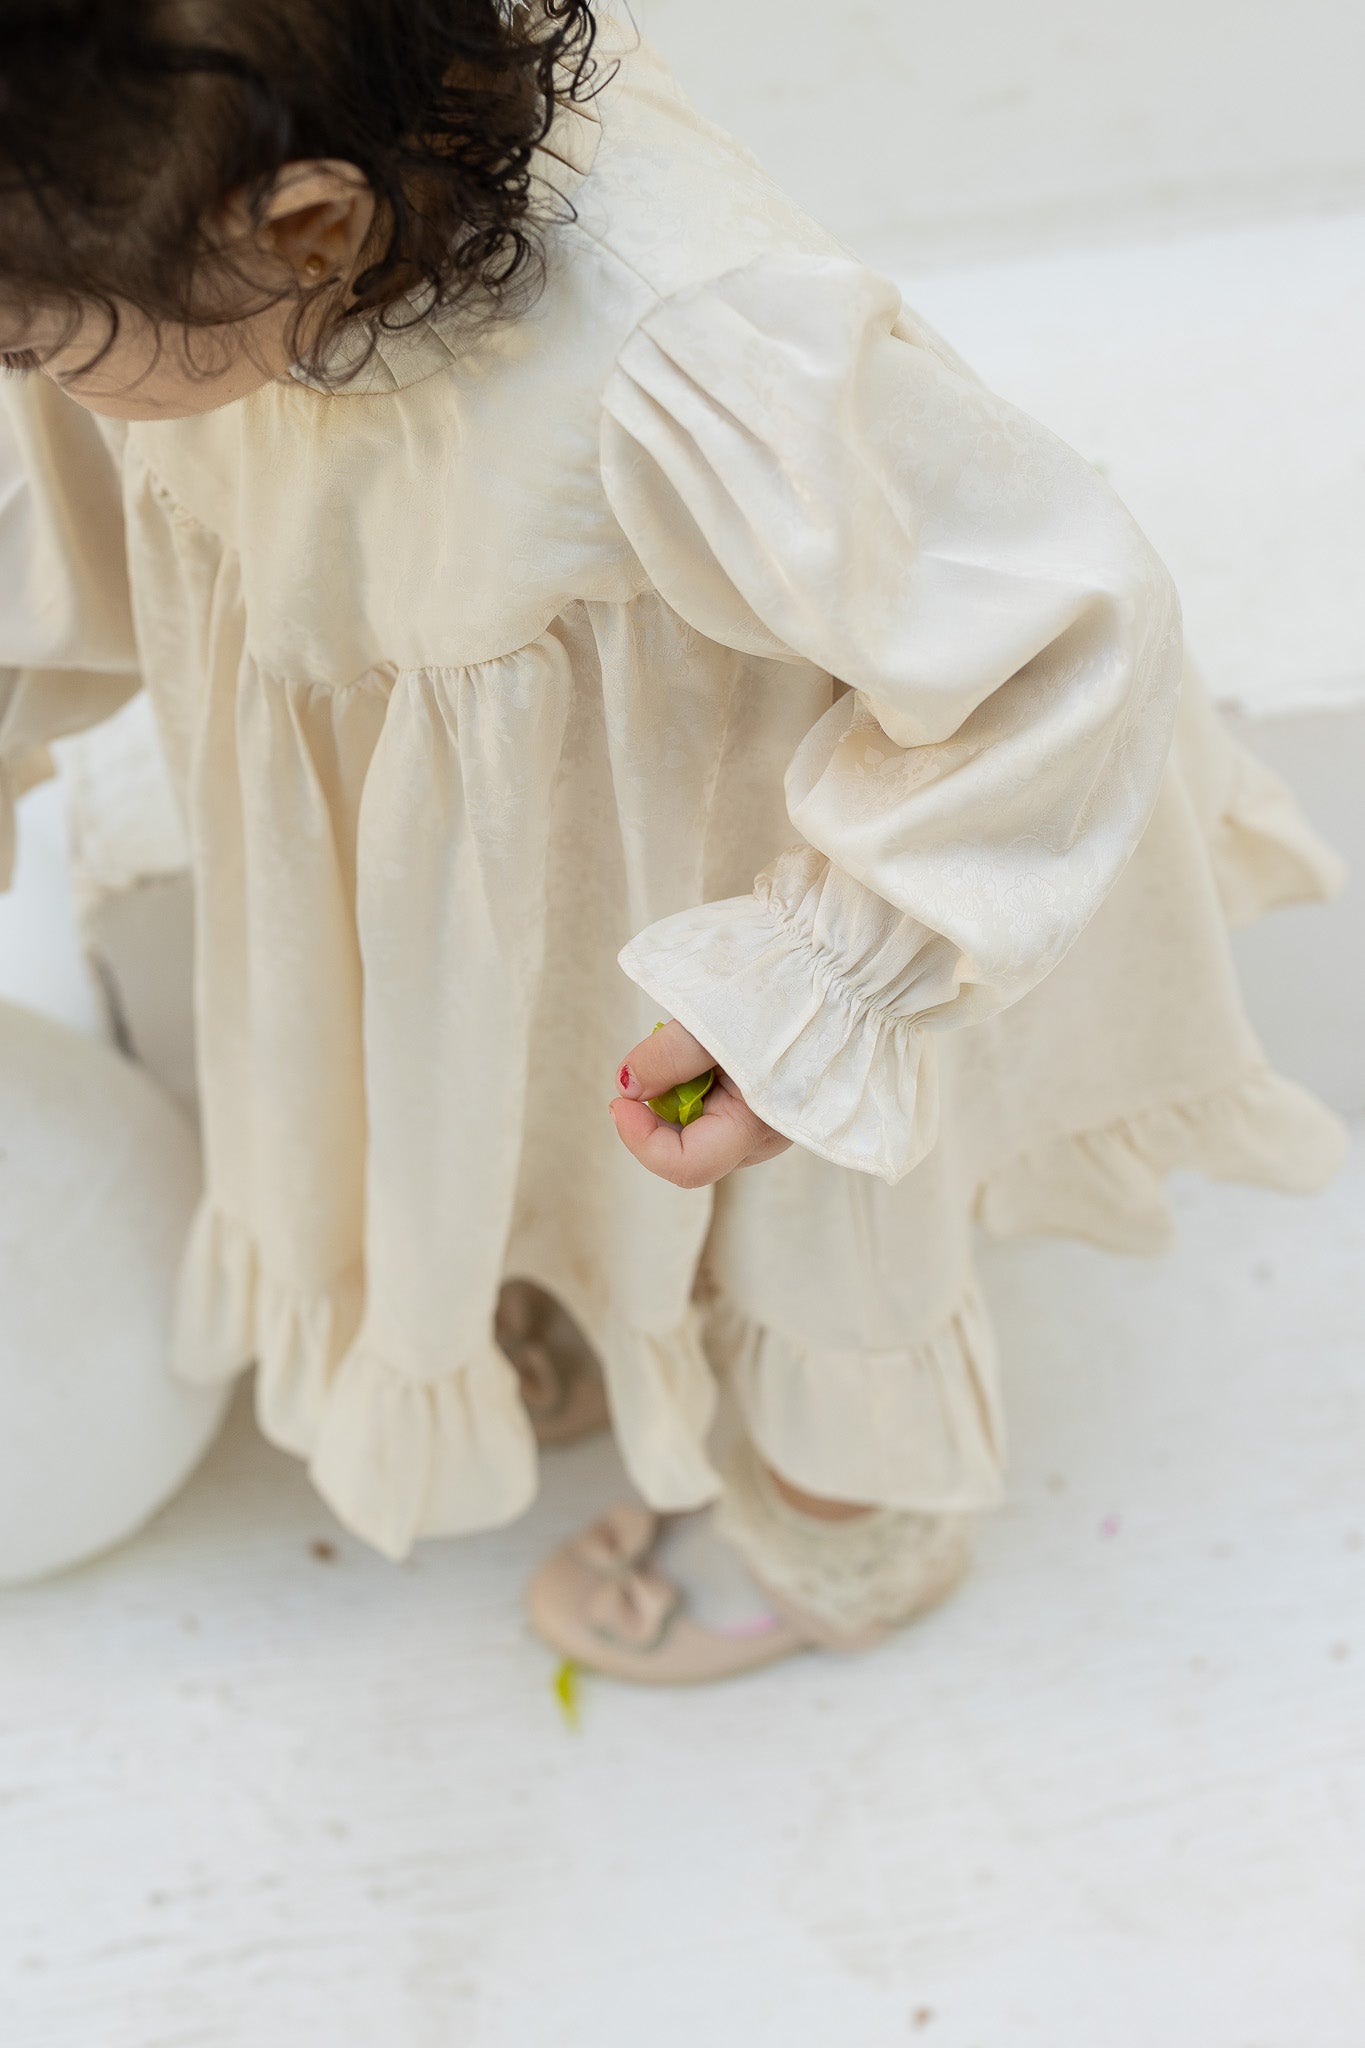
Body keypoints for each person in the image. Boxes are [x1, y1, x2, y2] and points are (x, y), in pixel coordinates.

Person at [0, 0, 1344, 1681]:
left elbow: (1069, 633)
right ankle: (571, 1288)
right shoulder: (150, 244)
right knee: (499, 1098)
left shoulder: (682, 344)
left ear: (310, 227)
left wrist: (820, 985)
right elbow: (72, 523)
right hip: (497, 883)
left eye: (36, 345)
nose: (28, 376)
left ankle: (840, 1527)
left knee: (812, 1229)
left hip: (735, 855)